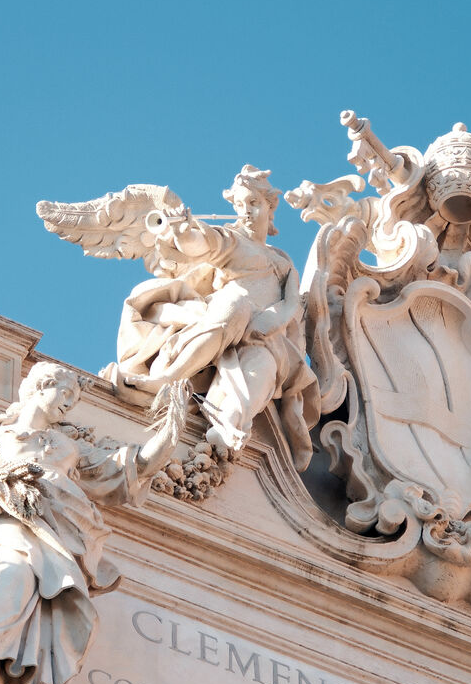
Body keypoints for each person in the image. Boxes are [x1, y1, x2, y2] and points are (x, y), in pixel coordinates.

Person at [0, 362, 186, 684]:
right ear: (40, 388)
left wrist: (172, 431)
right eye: (65, 392)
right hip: (10, 520)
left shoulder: (69, 447)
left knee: (47, 596)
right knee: (11, 571)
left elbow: (130, 466)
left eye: (74, 398)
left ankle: (28, 681)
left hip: (59, 533)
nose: (68, 403)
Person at [104, 165, 319, 469]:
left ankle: (228, 428)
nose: (247, 211)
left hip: (263, 334)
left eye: (254, 203)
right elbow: (202, 243)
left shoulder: (282, 260)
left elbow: (291, 302)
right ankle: (166, 380)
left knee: (265, 368)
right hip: (231, 315)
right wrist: (182, 229)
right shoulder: (231, 240)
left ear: (270, 208)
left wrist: (273, 320)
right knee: (235, 306)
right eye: (241, 204)